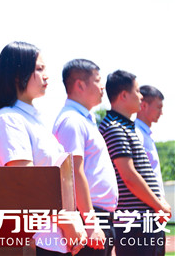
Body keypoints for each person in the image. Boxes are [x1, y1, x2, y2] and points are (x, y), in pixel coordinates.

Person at [0, 41, 86, 256]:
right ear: (18, 75)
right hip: (37, 240)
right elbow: (26, 182)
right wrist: (67, 221)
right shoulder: (8, 119)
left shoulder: (34, 120)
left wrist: (73, 220)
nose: (46, 76)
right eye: (39, 69)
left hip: (56, 240)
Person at [98, 70, 171, 256]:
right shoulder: (114, 128)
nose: (141, 97)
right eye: (137, 91)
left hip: (144, 220)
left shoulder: (125, 127)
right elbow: (129, 176)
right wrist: (159, 205)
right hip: (135, 223)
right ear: (124, 95)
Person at [53, 59, 118, 256]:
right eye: (97, 80)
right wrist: (90, 223)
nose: (102, 86)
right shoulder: (72, 121)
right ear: (80, 85)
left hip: (99, 215)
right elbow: (73, 171)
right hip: (89, 216)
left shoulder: (84, 120)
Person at [135, 85, 166, 256]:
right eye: (158, 107)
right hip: (144, 214)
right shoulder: (136, 134)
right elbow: (135, 176)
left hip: (155, 212)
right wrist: (158, 204)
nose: (161, 113)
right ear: (144, 105)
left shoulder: (146, 135)